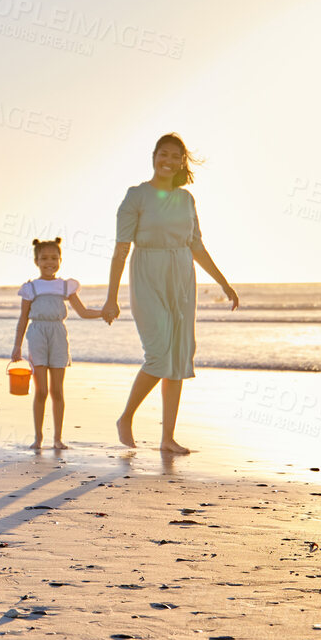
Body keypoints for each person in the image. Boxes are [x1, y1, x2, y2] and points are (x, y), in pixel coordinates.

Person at [100, 134, 239, 454]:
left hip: (181, 276)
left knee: (176, 357)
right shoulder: (136, 196)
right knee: (159, 353)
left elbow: (197, 246)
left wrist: (223, 282)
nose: (168, 160)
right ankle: (126, 417)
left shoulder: (187, 199)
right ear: (154, 157)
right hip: (147, 273)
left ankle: (167, 438)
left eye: (175, 156)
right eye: (163, 154)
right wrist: (112, 298)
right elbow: (121, 250)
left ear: (181, 162)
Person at [9, 236, 103, 450]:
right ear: (36, 261)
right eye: (44, 258)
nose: (49, 262)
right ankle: (38, 438)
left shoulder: (65, 287)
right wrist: (17, 346)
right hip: (37, 334)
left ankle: (58, 439)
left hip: (58, 334)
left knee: (57, 391)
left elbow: (83, 312)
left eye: (54, 257)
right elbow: (23, 318)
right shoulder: (30, 288)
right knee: (41, 390)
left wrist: (103, 313)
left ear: (60, 260)